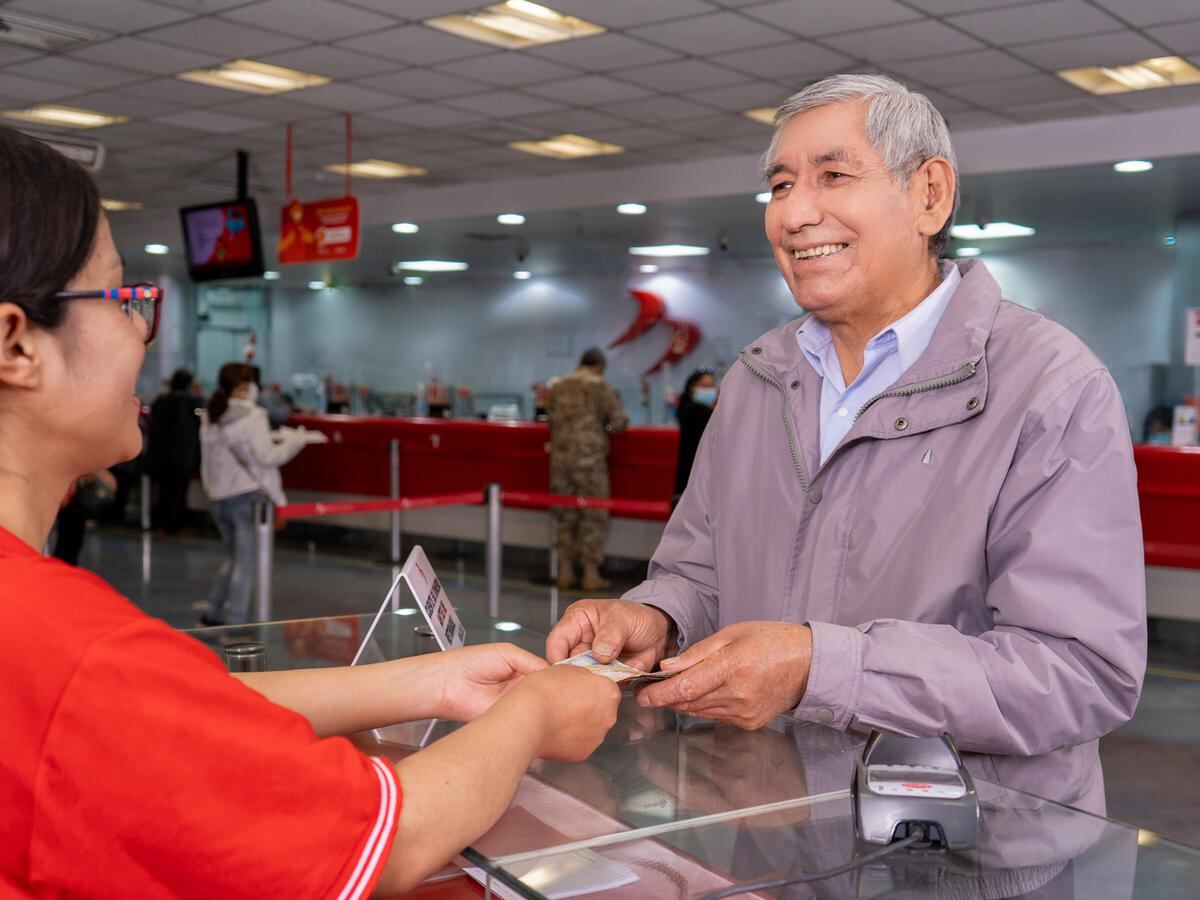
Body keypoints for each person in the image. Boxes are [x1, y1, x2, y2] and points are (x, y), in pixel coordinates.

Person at [0, 124, 620, 896]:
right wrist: (530, 715)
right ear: (16, 344)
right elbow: (388, 837)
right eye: (127, 298)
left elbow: (171, 710)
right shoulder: (63, 645)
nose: (142, 335)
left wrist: (429, 683)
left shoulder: (54, 637)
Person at [547, 75, 1146, 814]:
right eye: (779, 185)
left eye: (834, 176)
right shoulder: (758, 380)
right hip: (769, 829)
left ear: (930, 195)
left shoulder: (1050, 387)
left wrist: (818, 666)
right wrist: (656, 617)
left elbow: (1079, 672)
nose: (796, 213)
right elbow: (700, 570)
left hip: (969, 851)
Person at [199, 362, 324, 627]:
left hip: (217, 498)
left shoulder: (212, 413)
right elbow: (267, 456)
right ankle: (235, 625)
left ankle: (213, 613)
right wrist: (296, 442)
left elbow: (207, 460)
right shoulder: (253, 416)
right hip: (246, 497)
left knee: (233, 558)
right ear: (244, 387)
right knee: (245, 564)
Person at [547, 347, 630, 591]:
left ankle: (565, 570)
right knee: (593, 516)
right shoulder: (600, 384)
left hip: (560, 461)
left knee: (564, 515)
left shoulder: (558, 385)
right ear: (599, 366)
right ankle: (591, 573)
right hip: (590, 461)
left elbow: (550, 419)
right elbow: (619, 422)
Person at [147, 367, 201, 534]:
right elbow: (203, 417)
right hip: (183, 455)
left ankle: (162, 524)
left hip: (162, 454)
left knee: (164, 492)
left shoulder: (160, 401)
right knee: (178, 493)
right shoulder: (193, 402)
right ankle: (175, 525)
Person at [673, 368, 717, 502]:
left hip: (690, 475)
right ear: (692, 388)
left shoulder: (686, 408)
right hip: (698, 474)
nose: (710, 390)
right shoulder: (697, 410)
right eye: (705, 386)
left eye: (712, 386)